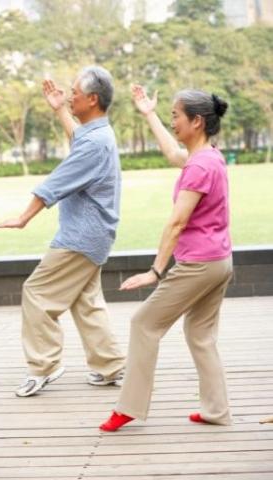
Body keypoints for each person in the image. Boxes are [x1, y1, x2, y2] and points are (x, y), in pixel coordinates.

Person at [100, 84, 233, 431]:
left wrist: (155, 272)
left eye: (176, 116)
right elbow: (175, 154)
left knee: (144, 324)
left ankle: (129, 407)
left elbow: (177, 222)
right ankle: (216, 410)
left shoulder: (200, 166)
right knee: (200, 335)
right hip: (220, 261)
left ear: (197, 121)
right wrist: (149, 114)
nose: (173, 122)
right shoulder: (210, 157)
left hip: (199, 265)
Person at [0, 66, 125, 397]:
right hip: (95, 234)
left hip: (80, 236)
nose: (70, 96)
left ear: (92, 99)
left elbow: (56, 183)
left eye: (74, 93)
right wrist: (60, 109)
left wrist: (24, 217)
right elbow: (80, 140)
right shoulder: (98, 134)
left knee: (36, 292)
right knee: (86, 300)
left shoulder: (95, 144)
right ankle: (109, 365)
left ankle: (44, 366)